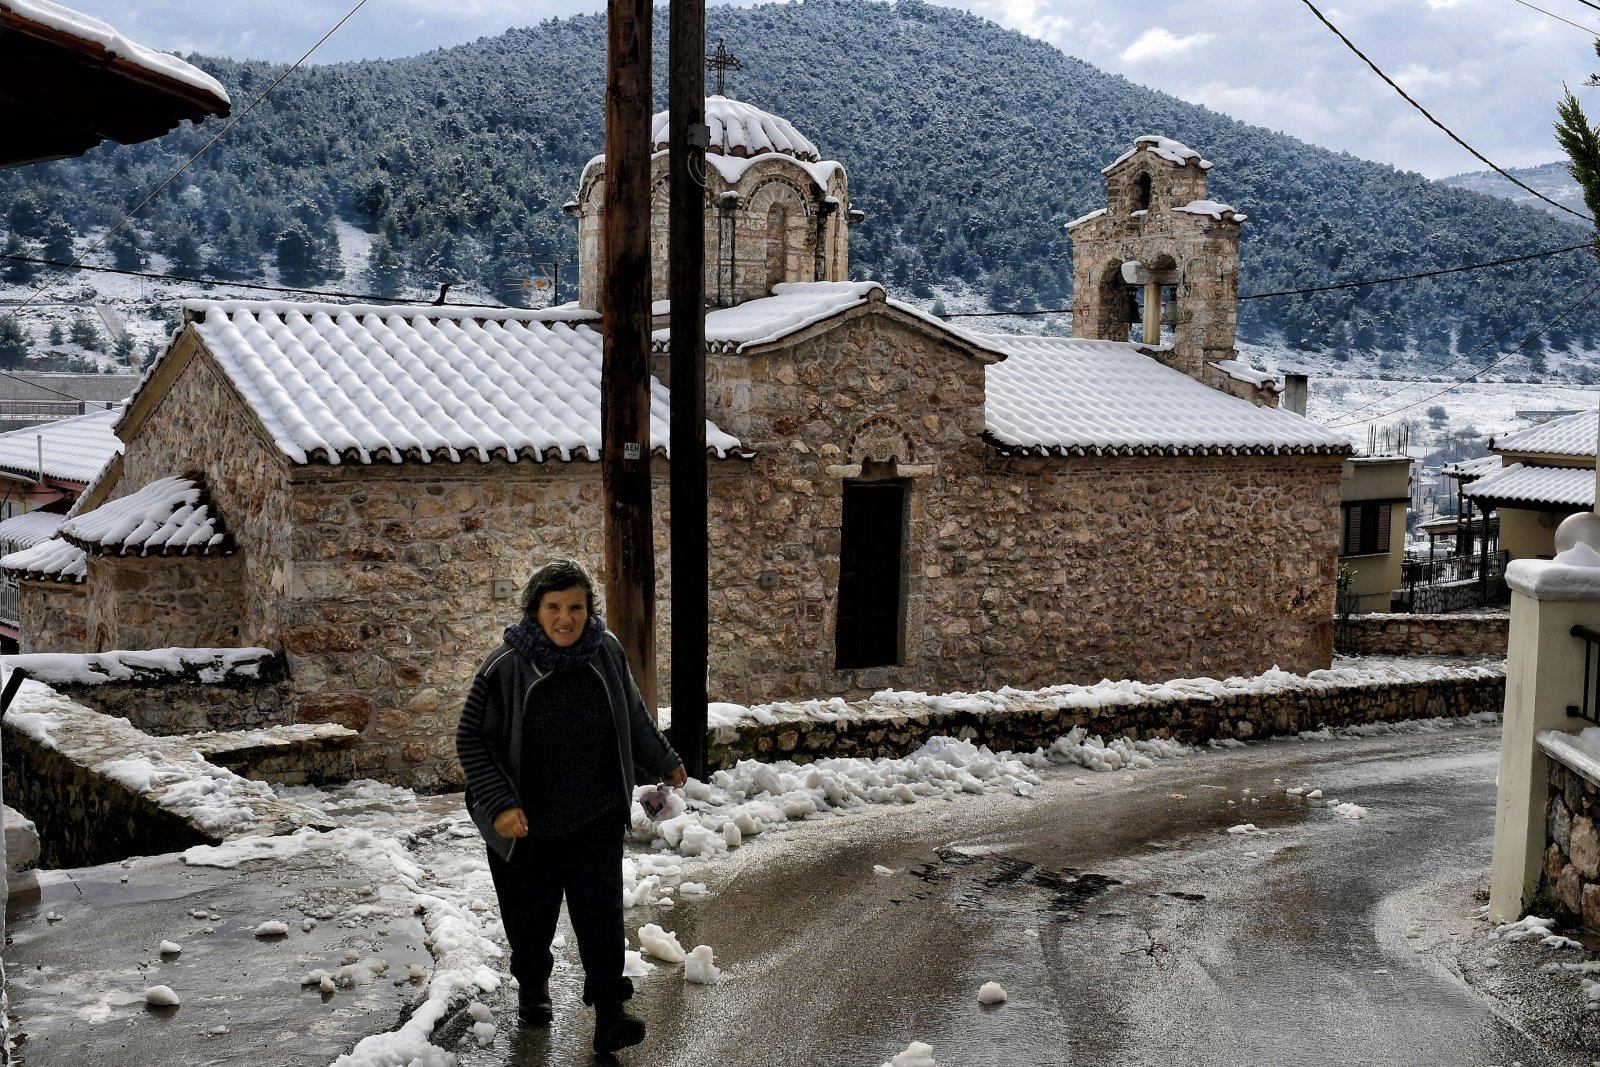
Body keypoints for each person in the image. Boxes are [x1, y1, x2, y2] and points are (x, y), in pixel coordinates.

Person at [456, 558, 686, 1055]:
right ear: (534, 611)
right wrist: (499, 806)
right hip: (524, 822)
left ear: (589, 609)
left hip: (593, 813)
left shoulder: (605, 651)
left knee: (600, 917)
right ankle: (533, 985)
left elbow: (632, 711)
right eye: (554, 608)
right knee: (530, 920)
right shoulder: (505, 667)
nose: (566, 618)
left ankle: (610, 1014)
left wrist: (662, 759)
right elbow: (471, 739)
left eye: (576, 607)